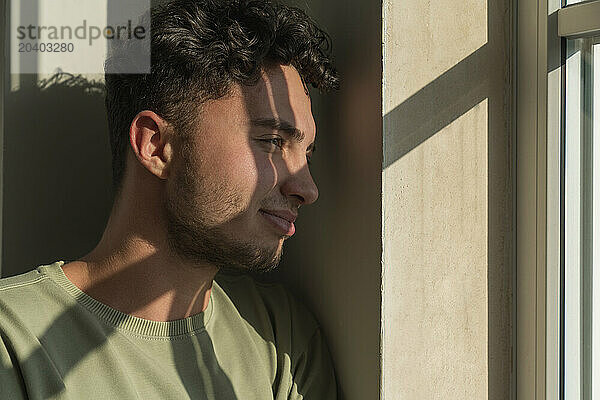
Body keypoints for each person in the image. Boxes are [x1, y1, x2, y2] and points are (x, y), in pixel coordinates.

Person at [0, 0, 339, 398]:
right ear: (156, 146)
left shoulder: (281, 338)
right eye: (272, 142)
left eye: (307, 154)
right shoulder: (15, 341)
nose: (308, 188)